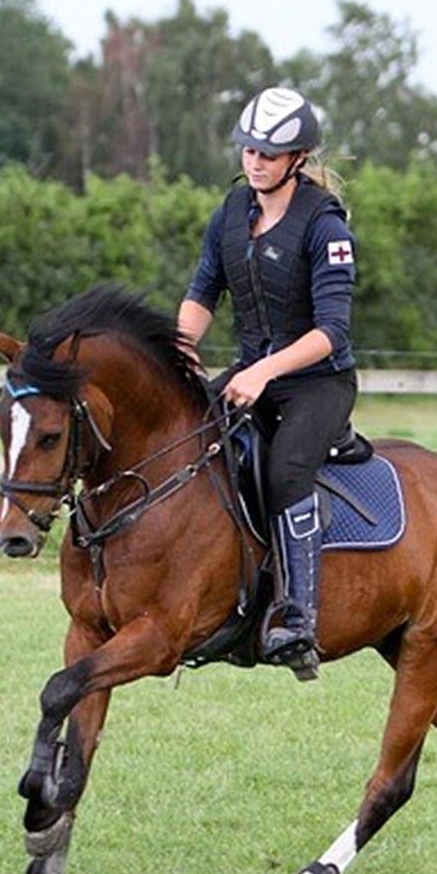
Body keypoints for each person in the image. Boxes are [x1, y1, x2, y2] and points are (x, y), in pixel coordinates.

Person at [176, 87, 357, 677]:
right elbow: (203, 292)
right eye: (249, 149)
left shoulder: (324, 225)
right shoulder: (231, 213)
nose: (255, 161)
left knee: (284, 472)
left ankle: (297, 616)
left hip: (316, 383)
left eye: (269, 153)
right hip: (251, 375)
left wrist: (262, 370)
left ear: (298, 159)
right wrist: (180, 349)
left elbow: (330, 331)